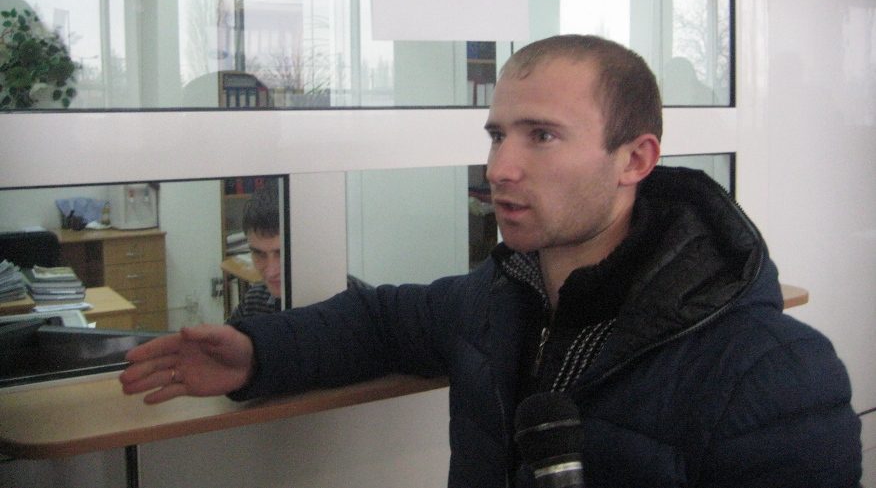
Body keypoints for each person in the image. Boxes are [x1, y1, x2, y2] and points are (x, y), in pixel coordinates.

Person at [120, 35, 862, 488]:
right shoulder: (499, 297)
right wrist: (258, 352)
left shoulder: (771, 373)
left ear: (635, 159)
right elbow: (382, 321)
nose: (499, 168)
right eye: (497, 134)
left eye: (542, 136)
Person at [225, 185, 282, 325]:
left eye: (281, 254)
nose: (271, 272)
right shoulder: (256, 299)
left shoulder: (333, 305)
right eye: (259, 254)